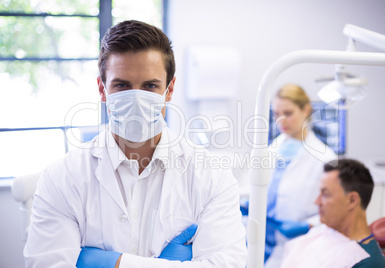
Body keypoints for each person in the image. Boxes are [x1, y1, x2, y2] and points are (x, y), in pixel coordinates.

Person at [24, 20, 247, 267]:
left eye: (150, 86)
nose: (136, 99)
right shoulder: (62, 178)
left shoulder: (211, 176)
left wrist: (115, 263)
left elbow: (227, 264)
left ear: (169, 89)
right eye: (122, 85)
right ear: (102, 89)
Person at [263, 84, 336, 267]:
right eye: (275, 114)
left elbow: (336, 212)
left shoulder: (325, 159)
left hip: (298, 247)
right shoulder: (270, 150)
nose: (281, 121)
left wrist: (309, 225)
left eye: (288, 113)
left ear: (306, 109)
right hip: (261, 242)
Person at [281, 159, 385, 268]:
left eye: (325, 194)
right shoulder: (324, 231)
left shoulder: (367, 262)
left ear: (352, 200)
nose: (316, 202)